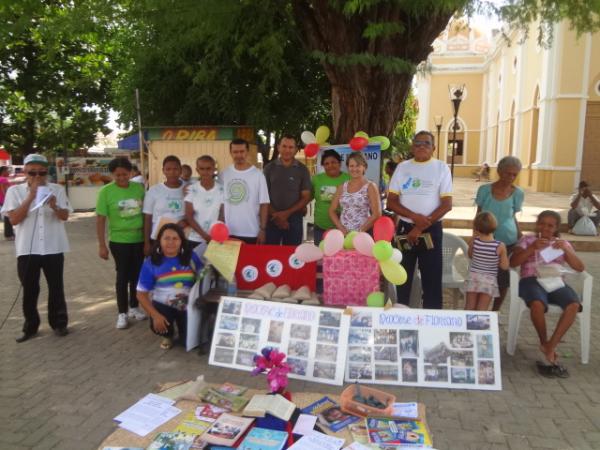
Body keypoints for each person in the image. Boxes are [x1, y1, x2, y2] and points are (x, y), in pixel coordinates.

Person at [1, 154, 72, 342]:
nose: (38, 176)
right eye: (32, 172)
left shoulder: (56, 189)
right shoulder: (14, 191)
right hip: (27, 249)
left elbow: (65, 216)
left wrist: (55, 207)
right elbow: (14, 219)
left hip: (53, 247)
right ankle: (30, 327)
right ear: (25, 172)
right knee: (30, 289)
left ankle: (59, 323)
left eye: (42, 172)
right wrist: (31, 196)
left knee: (56, 287)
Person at [510, 210, 584, 376]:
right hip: (531, 280)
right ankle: (544, 343)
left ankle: (551, 346)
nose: (545, 228)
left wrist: (566, 250)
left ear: (557, 228)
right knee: (537, 304)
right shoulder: (527, 239)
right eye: (542, 223)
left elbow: (580, 267)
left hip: (556, 282)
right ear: (537, 224)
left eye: (550, 225)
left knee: (573, 305)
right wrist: (531, 248)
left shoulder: (562, 243)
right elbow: (513, 262)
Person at [386, 131, 452, 309]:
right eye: (417, 143)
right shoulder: (402, 168)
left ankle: (431, 323)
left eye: (426, 143)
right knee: (402, 277)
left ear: (434, 148)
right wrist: (414, 218)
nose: (421, 146)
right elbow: (391, 201)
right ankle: (401, 319)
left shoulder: (441, 168)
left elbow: (447, 204)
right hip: (405, 230)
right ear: (412, 147)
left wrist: (421, 226)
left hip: (431, 230)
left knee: (432, 281)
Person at [96, 157, 147, 330]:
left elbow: (146, 214)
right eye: (117, 175)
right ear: (112, 175)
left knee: (137, 276)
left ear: (131, 173)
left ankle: (134, 307)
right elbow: (101, 219)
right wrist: (101, 245)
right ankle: (122, 313)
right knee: (122, 276)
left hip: (139, 240)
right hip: (119, 242)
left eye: (125, 174)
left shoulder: (139, 188)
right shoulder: (106, 192)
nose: (121, 178)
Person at [136, 223, 203, 349]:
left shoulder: (191, 257)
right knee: (162, 325)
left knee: (187, 343)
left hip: (187, 304)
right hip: (163, 305)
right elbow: (140, 294)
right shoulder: (151, 262)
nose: (171, 242)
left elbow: (203, 278)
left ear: (181, 241)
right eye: (166, 238)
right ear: (159, 241)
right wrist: (155, 316)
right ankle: (168, 335)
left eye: (175, 238)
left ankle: (185, 332)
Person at [475, 156, 524, 311]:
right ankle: (479, 310)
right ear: (499, 171)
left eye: (514, 174)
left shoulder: (518, 193)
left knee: (503, 279)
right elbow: (478, 214)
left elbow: (513, 216)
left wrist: (520, 236)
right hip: (486, 241)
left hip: (509, 241)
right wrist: (475, 236)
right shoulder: (484, 190)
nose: (510, 177)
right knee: (482, 277)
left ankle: (495, 312)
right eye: (507, 173)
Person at [263, 135, 311, 245]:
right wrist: (277, 216)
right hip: (272, 218)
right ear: (278, 147)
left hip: (294, 219)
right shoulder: (269, 168)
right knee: (271, 255)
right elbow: (263, 196)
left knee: (292, 256)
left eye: (291, 147)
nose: (287, 150)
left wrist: (286, 214)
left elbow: (306, 196)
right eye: (284, 146)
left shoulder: (303, 170)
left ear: (295, 149)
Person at [221, 138, 269, 244]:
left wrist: (263, 229)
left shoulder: (258, 175)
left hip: (252, 232)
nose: (239, 155)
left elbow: (264, 204)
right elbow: (221, 202)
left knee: (250, 261)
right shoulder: (224, 174)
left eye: (242, 151)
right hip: (228, 232)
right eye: (235, 152)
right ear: (230, 153)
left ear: (247, 152)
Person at [142, 155, 187, 255]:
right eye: (168, 169)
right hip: (158, 238)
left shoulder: (189, 189)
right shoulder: (154, 191)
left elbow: (195, 212)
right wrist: (147, 243)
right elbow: (147, 218)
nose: (172, 172)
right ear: (163, 171)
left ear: (180, 170)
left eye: (175, 169)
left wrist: (186, 221)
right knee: (160, 267)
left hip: (182, 238)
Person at [465, 212, 509, 310]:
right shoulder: (500, 246)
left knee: (469, 306)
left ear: (476, 227)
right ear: (495, 226)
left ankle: (466, 324)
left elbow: (470, 255)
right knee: (482, 309)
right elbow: (504, 266)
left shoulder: (474, 241)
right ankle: (479, 325)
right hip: (489, 280)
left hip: (473, 277)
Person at [328, 152, 381, 234]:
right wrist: (341, 228)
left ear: (364, 167)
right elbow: (331, 210)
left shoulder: (370, 186)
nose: (354, 169)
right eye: (351, 166)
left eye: (358, 165)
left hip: (363, 234)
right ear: (348, 168)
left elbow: (377, 214)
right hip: (343, 234)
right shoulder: (342, 187)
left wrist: (359, 232)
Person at [184, 155, 224, 257]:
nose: (205, 172)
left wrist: (216, 235)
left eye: (208, 168)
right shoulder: (191, 189)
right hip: (194, 239)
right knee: (195, 271)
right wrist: (205, 236)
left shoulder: (222, 190)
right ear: (197, 170)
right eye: (202, 169)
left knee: (212, 272)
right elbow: (189, 216)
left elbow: (222, 215)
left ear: (214, 169)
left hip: (215, 240)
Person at [311, 150, 351, 245]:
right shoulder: (316, 179)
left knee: (341, 258)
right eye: (326, 163)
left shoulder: (349, 179)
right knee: (320, 257)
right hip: (321, 227)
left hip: (344, 228)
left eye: (333, 162)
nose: (330, 166)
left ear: (339, 163)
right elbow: (309, 196)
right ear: (323, 166)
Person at [1, 166, 15, 240]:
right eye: (7, 170)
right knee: (8, 217)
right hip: (4, 199)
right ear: (3, 171)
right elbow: (4, 190)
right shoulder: (3, 179)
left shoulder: (2, 178)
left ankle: (9, 234)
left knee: (7, 217)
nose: (8, 172)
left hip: (2, 199)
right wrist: (7, 199)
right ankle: (9, 234)